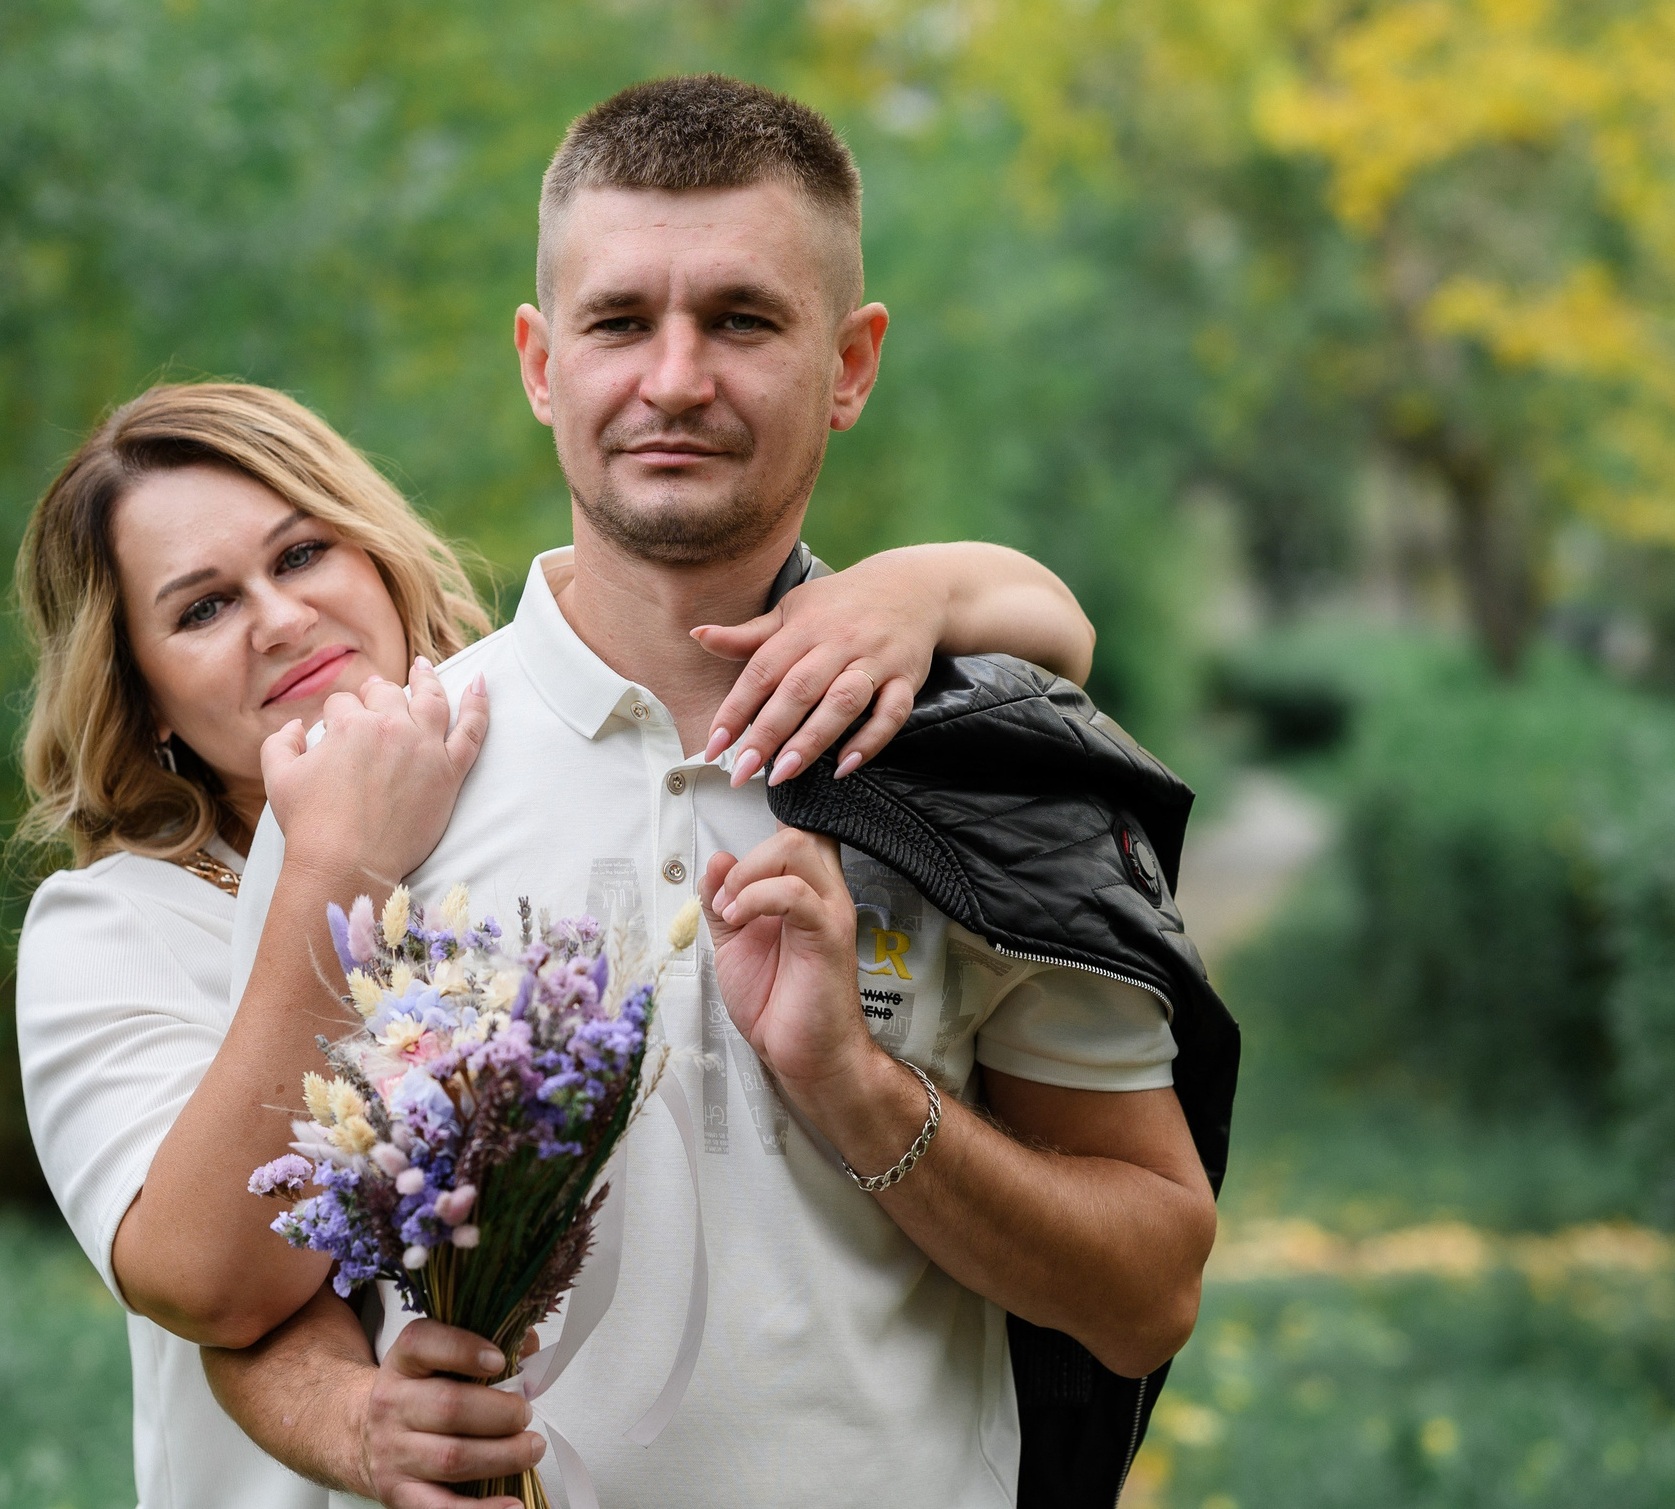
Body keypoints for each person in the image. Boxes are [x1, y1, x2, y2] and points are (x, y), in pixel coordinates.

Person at [204, 76, 1218, 1509]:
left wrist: (858, 1089)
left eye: (742, 319)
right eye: (619, 321)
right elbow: (242, 1294)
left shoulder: (981, 766)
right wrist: (362, 1421)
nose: (674, 379)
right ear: (540, 361)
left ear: (850, 364)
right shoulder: (372, 788)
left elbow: (1149, 1293)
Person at [9, 381, 1102, 1508]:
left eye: (301, 553)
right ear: (140, 693)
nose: (279, 618)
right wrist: (342, 861)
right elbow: (211, 1282)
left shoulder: (527, 751)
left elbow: (1059, 628)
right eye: (201, 609)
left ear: (377, 556)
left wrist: (912, 589)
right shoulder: (116, 929)